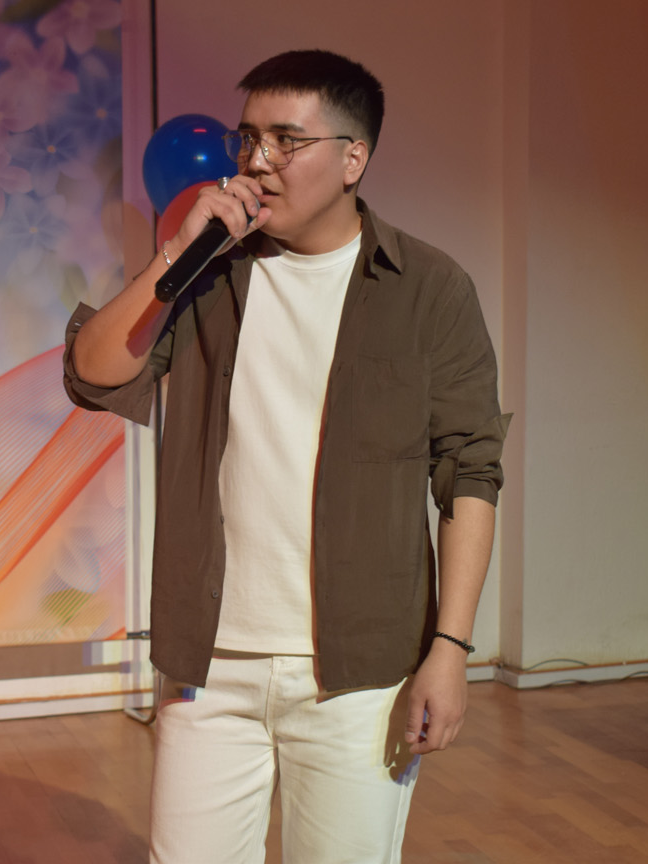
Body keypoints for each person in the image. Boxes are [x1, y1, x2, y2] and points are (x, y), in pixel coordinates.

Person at [62, 49, 508, 862]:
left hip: (357, 670)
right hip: (209, 660)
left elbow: (470, 474)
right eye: (249, 139)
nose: (258, 161)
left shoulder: (428, 288)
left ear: (352, 158)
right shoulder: (207, 277)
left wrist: (450, 650)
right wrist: (176, 253)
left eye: (285, 140)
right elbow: (93, 374)